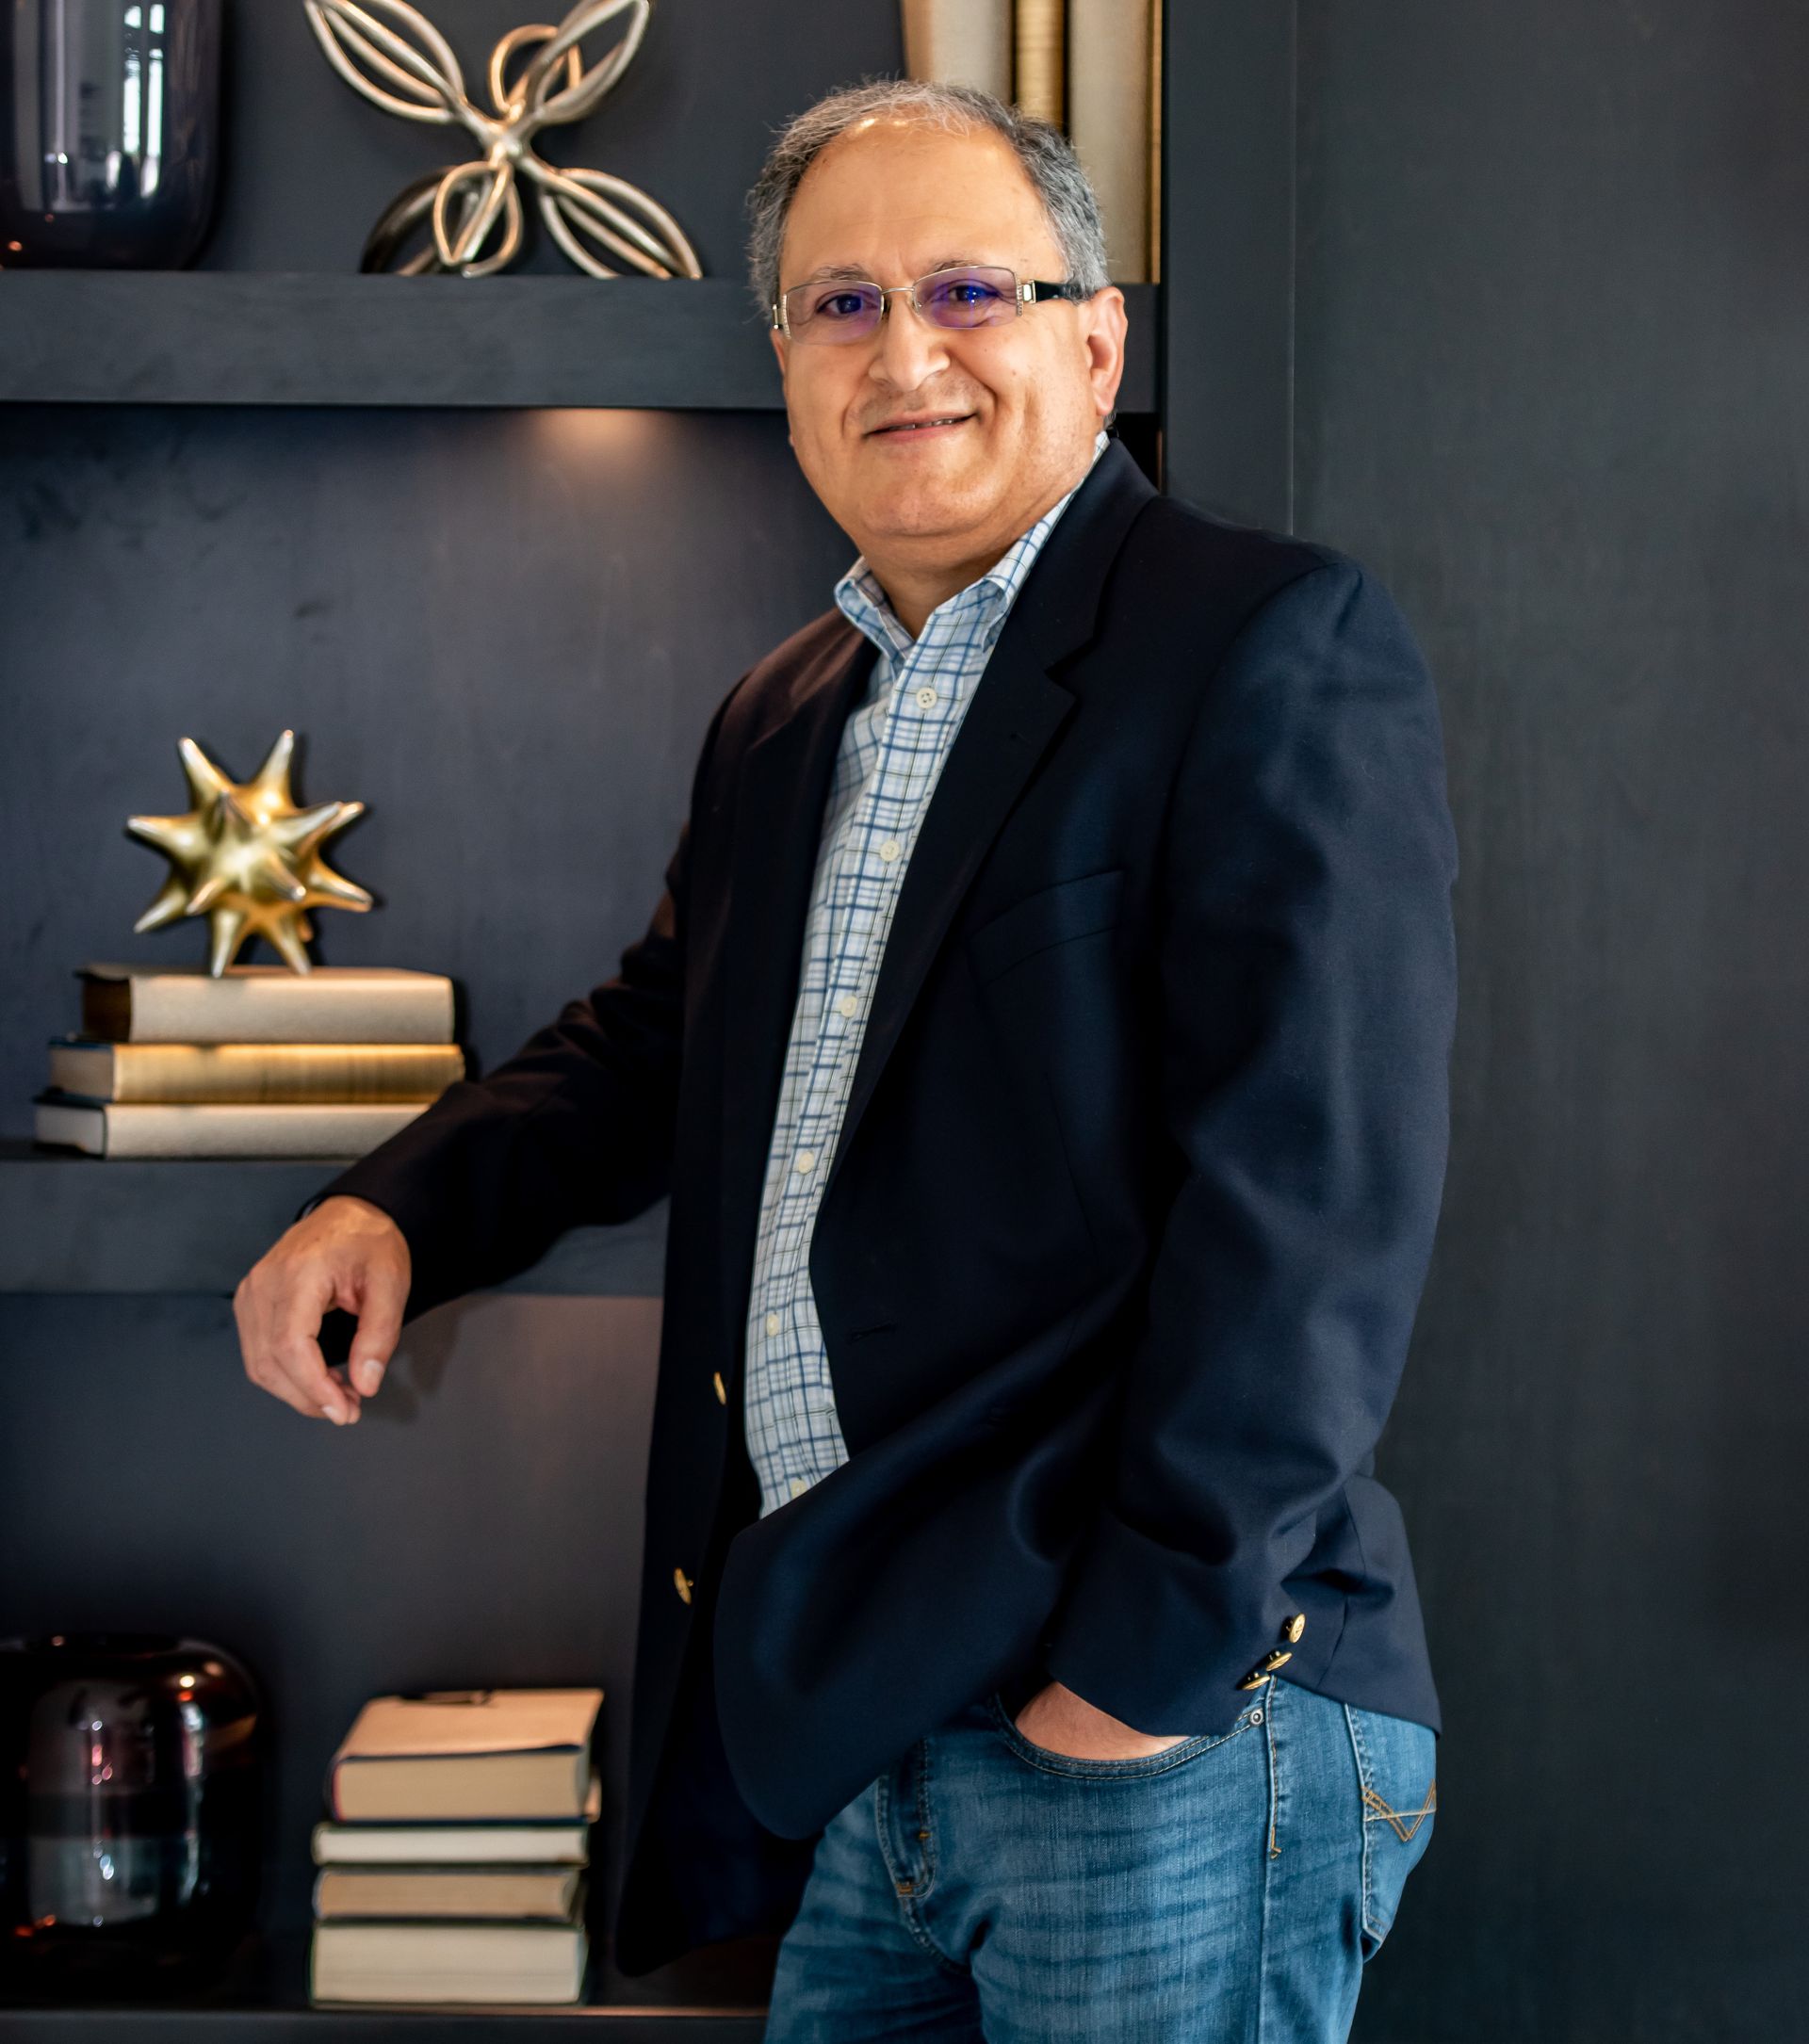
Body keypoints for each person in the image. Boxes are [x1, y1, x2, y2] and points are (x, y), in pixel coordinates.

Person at [233, 78, 1456, 2043]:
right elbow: (653, 1044)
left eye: (971, 289)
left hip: (1147, 1710)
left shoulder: (1259, 643)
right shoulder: (786, 712)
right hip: (857, 1718)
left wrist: (1134, 1675)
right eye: (840, 304)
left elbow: (1313, 1205)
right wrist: (394, 1202)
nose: (908, 353)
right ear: (787, 360)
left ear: (1095, 333)